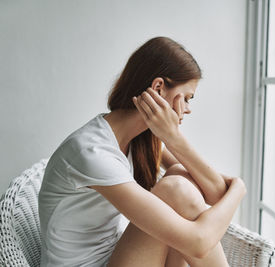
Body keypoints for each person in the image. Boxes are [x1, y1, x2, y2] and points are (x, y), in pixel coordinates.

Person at [38, 36, 246, 267]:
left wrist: (173, 139)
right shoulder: (92, 152)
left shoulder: (139, 139)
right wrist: (239, 188)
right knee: (176, 188)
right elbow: (198, 244)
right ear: (158, 88)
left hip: (112, 257)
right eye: (186, 98)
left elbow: (215, 193)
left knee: (179, 174)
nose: (187, 110)